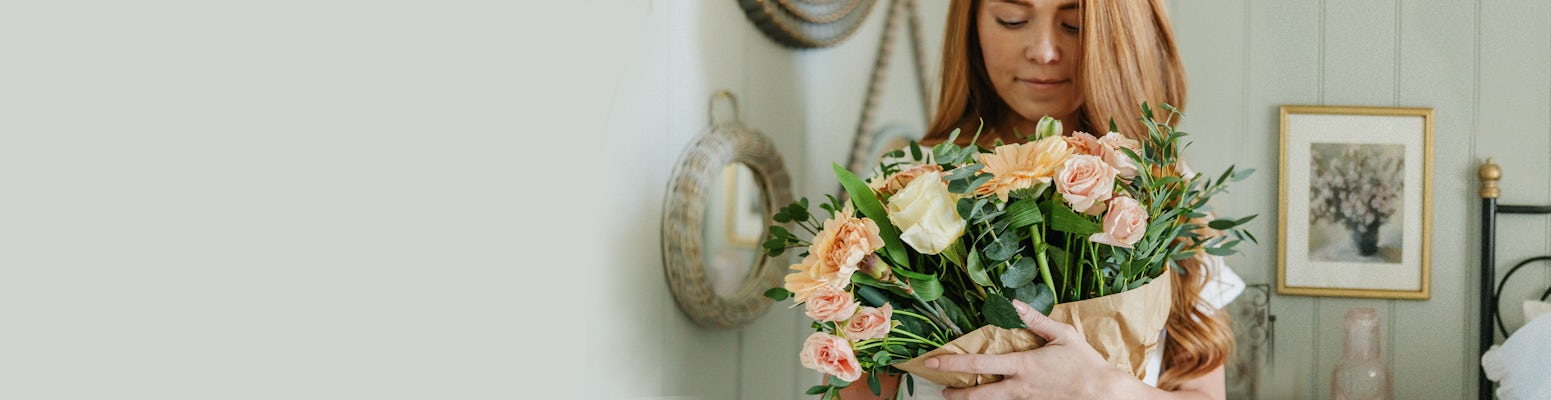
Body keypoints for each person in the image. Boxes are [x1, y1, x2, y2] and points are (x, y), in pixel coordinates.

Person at [839, 0, 1243, 399]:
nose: (1044, 51)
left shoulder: (1163, 190)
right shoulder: (907, 191)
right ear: (973, 23)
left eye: (1073, 24)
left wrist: (1100, 388)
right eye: (1012, 20)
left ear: (1121, 34)